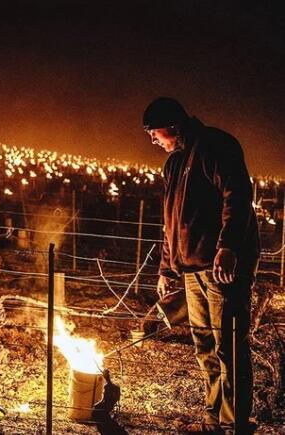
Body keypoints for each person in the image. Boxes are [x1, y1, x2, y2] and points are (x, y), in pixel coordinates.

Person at [144, 97, 260, 434]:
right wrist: (167, 268)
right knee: (205, 345)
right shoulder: (174, 165)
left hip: (222, 267)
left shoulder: (216, 146)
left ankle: (233, 423)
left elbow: (236, 196)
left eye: (155, 132)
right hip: (193, 270)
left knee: (229, 345)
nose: (153, 140)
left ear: (174, 126)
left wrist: (228, 247)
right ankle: (214, 419)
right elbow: (171, 221)